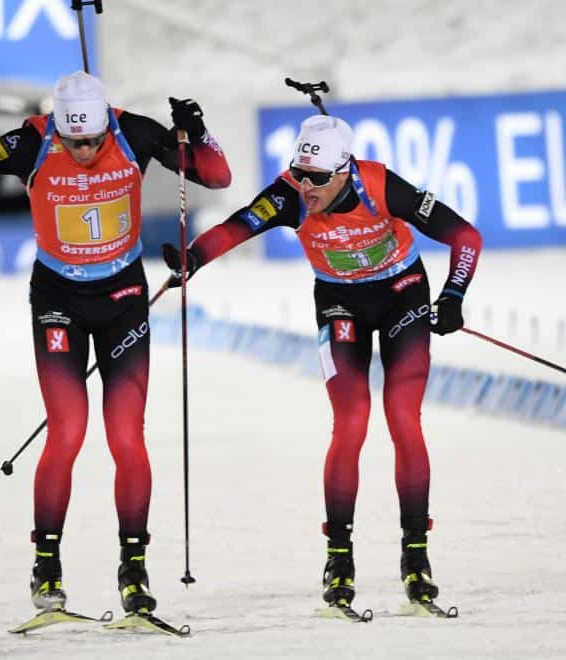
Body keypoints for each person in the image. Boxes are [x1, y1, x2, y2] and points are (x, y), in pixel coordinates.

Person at [0, 71, 231, 615]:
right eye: (75, 141)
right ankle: (46, 567)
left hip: (122, 300)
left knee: (127, 438)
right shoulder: (30, 141)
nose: (86, 151)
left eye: (93, 140)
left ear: (106, 123)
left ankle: (133, 569)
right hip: (58, 300)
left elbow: (216, 174)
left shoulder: (134, 132)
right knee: (67, 431)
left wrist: (199, 132)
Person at [163, 114, 482, 610]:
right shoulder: (289, 193)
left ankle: (416, 553)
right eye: (299, 173)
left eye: (316, 177)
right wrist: (194, 258)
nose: (305, 186)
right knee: (351, 422)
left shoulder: (381, 185)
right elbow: (238, 226)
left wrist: (454, 296)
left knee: (403, 417)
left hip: (402, 294)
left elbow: (466, 237)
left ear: (344, 171)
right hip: (339, 304)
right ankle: (339, 558)